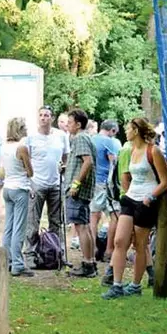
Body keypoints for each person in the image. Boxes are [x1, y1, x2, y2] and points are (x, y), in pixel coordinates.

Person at [102, 118, 167, 300]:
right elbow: (128, 176)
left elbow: (165, 181)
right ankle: (116, 285)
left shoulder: (153, 151)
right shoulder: (131, 150)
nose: (126, 131)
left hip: (145, 201)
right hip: (130, 198)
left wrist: (151, 197)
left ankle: (135, 285)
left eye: (129, 129)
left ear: (137, 130)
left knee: (140, 245)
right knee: (119, 241)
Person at [24, 106, 70, 262]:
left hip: (56, 183)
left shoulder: (61, 135)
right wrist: (29, 180)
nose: (43, 118)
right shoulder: (31, 137)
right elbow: (25, 159)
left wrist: (63, 168)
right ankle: (30, 253)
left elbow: (66, 156)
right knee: (33, 220)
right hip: (37, 183)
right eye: (41, 115)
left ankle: (57, 251)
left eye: (47, 115)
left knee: (56, 220)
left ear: (52, 118)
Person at [64, 109, 97, 277]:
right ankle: (90, 262)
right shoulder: (83, 138)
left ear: (78, 124)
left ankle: (87, 263)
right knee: (85, 226)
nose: (67, 126)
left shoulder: (80, 138)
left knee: (81, 227)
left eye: (69, 123)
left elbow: (88, 161)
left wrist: (76, 183)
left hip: (78, 191)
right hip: (81, 189)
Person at [0, 118, 34, 277]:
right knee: (19, 228)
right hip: (20, 188)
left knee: (9, 227)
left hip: (7, 187)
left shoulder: (4, 146)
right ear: (20, 129)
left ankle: (7, 261)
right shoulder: (22, 148)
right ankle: (18, 264)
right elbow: (30, 171)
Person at [89, 119, 121, 263]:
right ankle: (109, 250)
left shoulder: (91, 140)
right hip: (107, 184)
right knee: (115, 216)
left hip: (93, 182)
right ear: (112, 130)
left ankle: (92, 249)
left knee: (93, 216)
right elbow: (114, 163)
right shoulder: (111, 142)